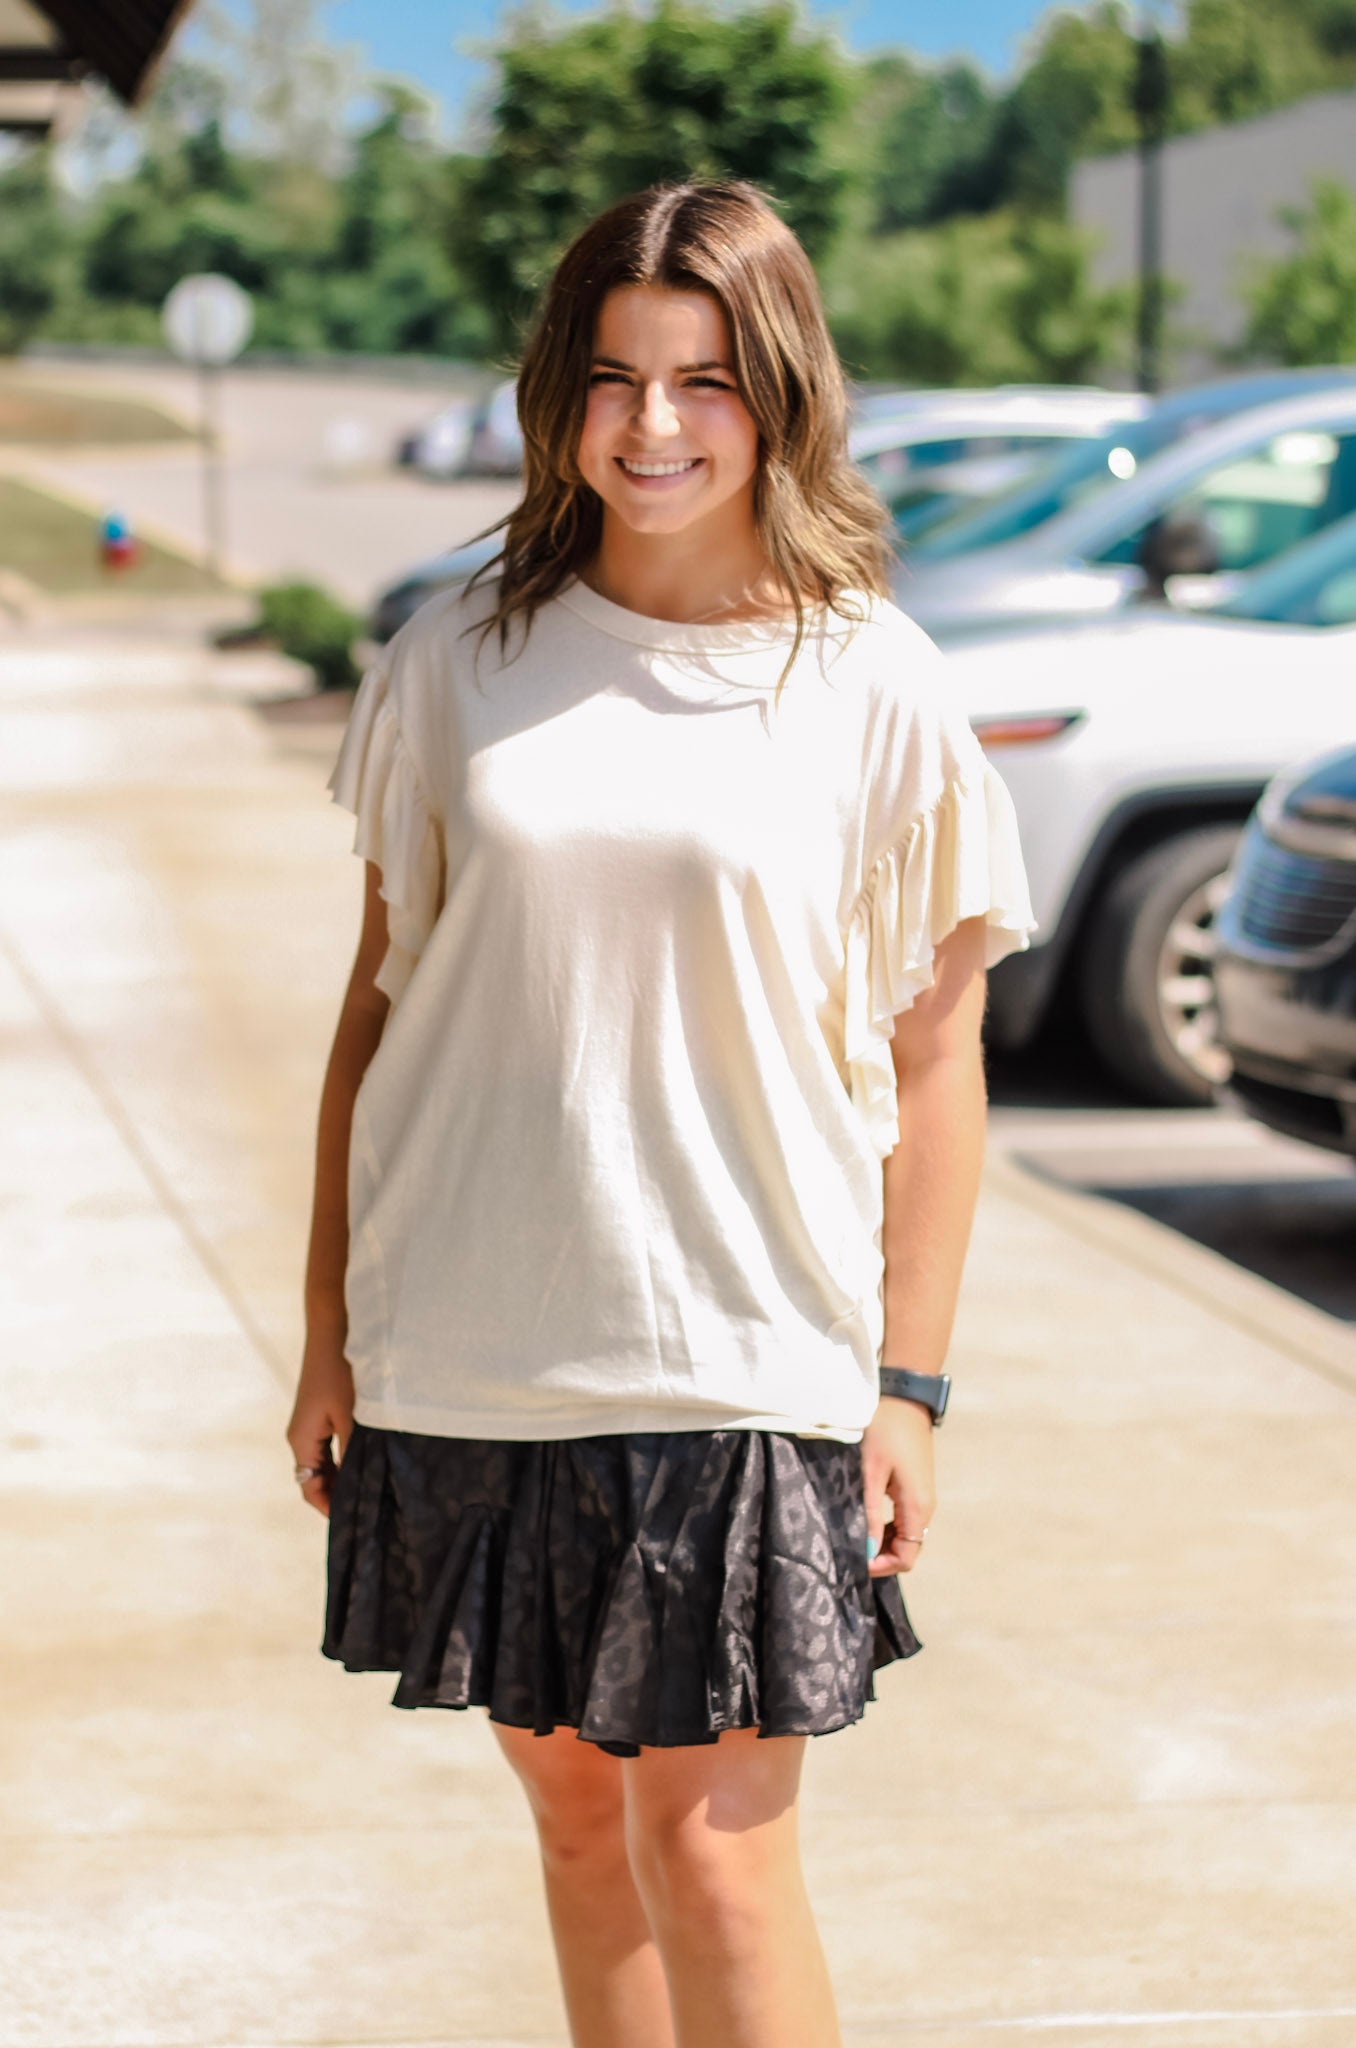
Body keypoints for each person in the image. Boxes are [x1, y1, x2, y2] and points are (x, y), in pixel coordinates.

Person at [287, 179, 1036, 2048]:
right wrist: (326, 1336)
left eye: (703, 380)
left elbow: (937, 1060)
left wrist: (909, 1383)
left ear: (778, 395)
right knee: (572, 1824)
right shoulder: (461, 656)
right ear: (562, 394)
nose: (653, 425)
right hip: (472, 1338)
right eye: (614, 378)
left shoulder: (871, 680)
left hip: (744, 1341)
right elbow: (378, 1011)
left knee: (713, 1854)